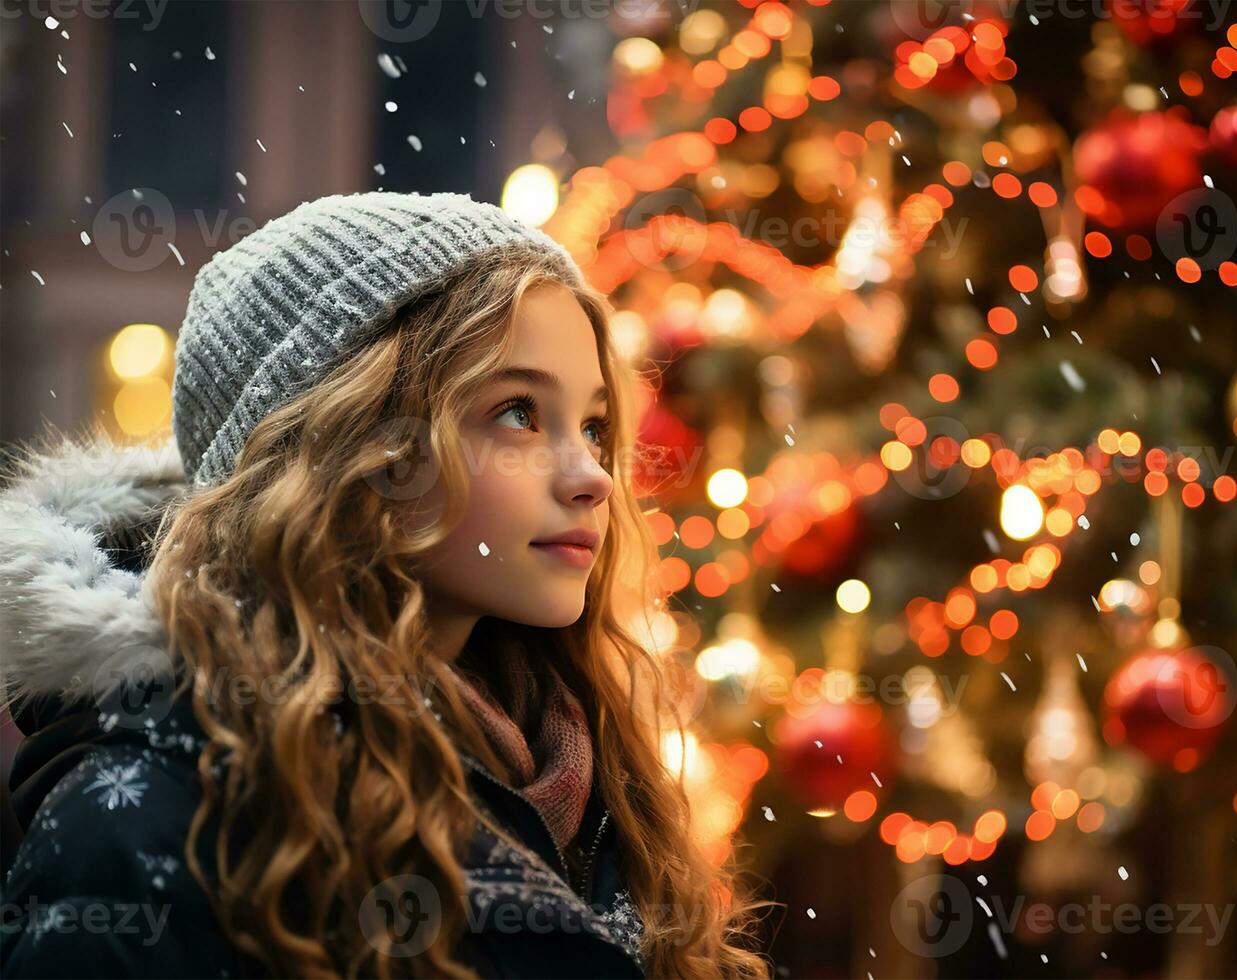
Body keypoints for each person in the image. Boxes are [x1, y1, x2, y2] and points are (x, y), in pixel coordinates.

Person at [0, 192, 774, 978]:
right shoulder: (154, 820)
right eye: (516, 412)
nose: (591, 478)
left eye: (595, 426)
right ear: (349, 449)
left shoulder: (590, 777)